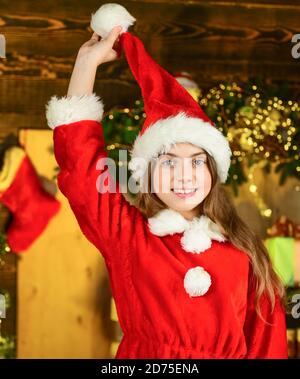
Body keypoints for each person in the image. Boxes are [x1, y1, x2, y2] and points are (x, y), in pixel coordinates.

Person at [45, 3, 288, 359]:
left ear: (212, 172)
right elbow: (82, 168)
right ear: (147, 174)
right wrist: (86, 64)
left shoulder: (246, 251)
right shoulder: (127, 234)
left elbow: (268, 346)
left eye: (196, 161)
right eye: (168, 163)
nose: (184, 175)